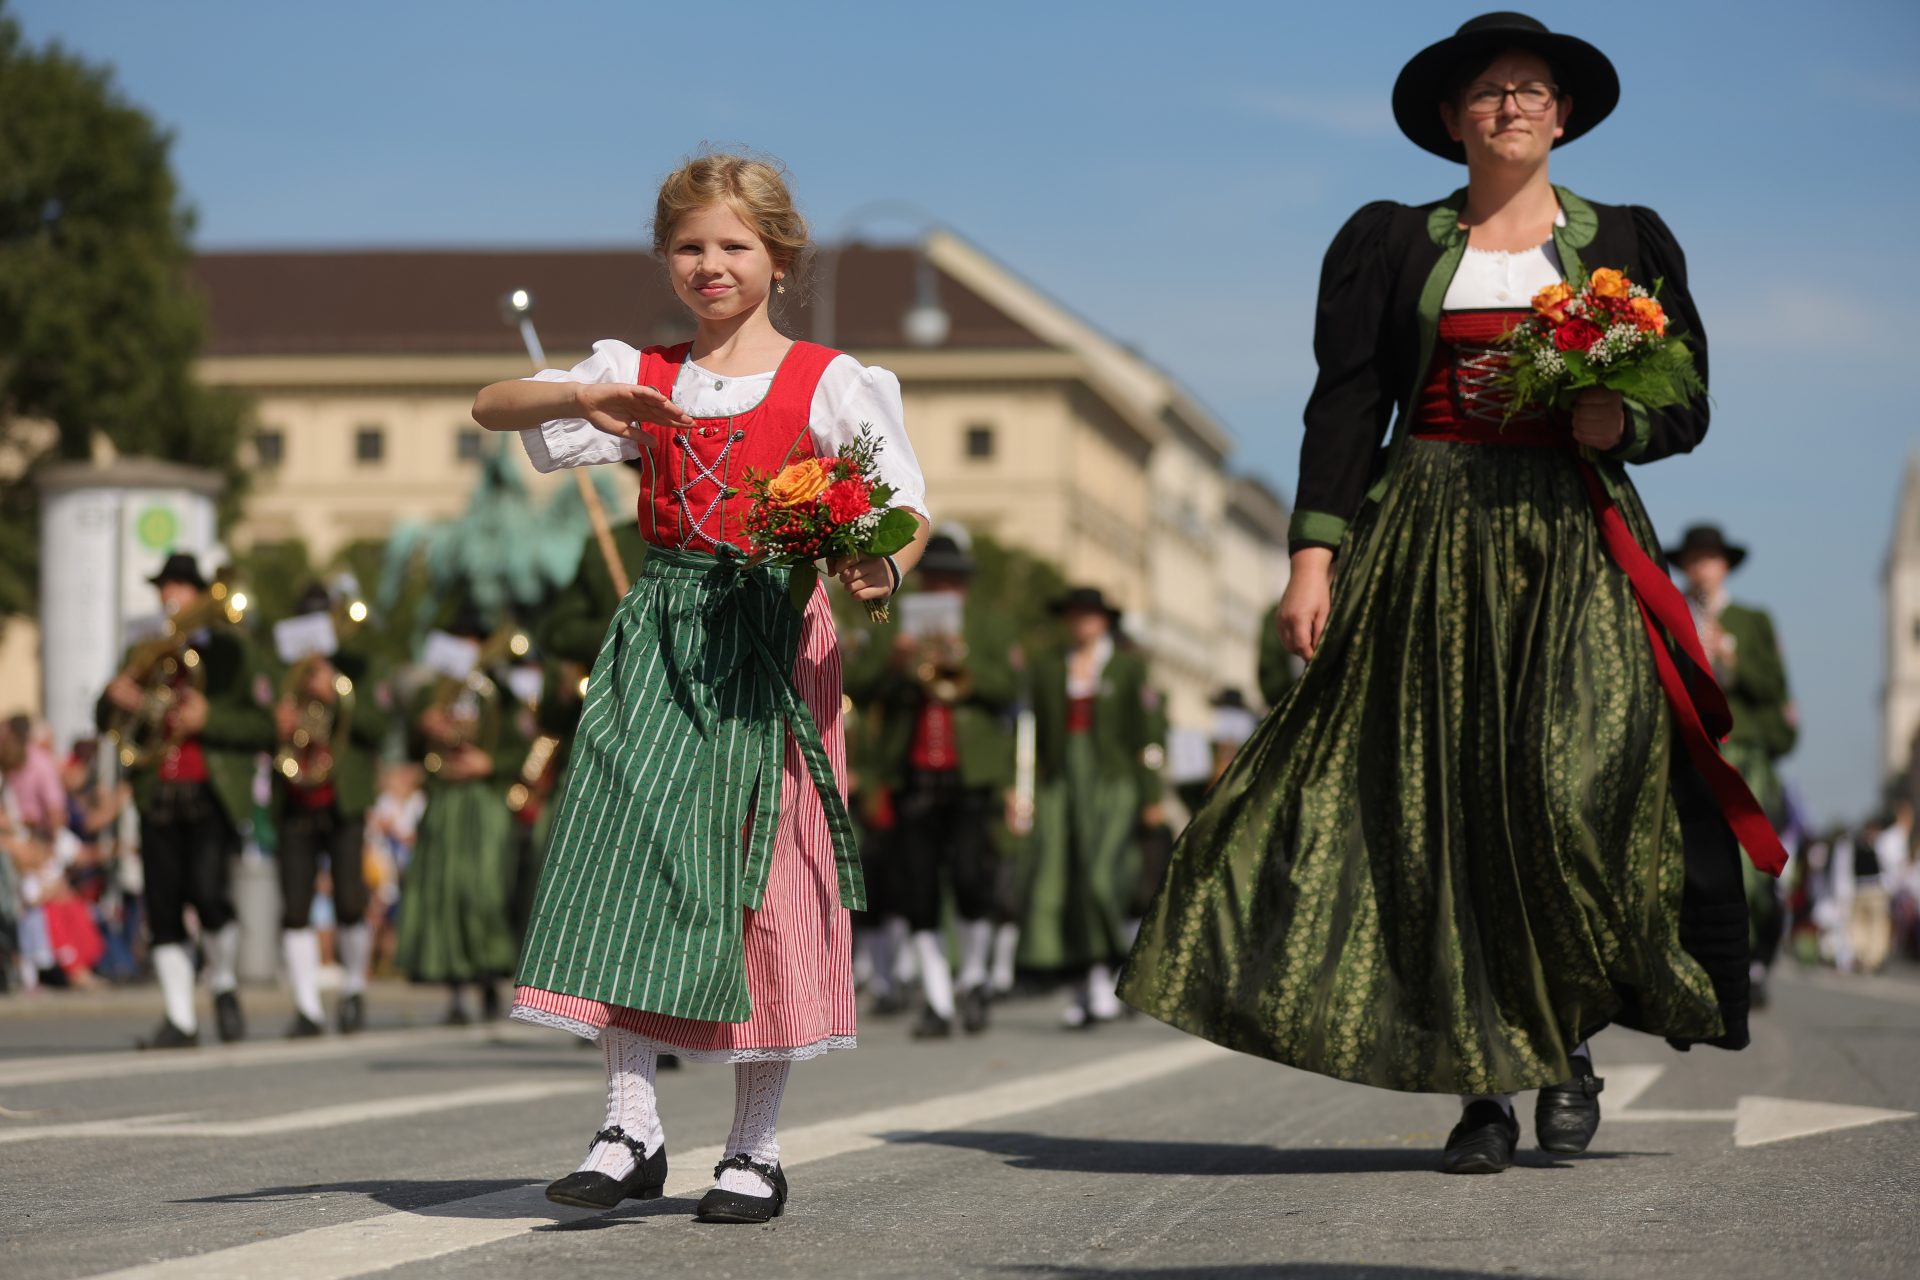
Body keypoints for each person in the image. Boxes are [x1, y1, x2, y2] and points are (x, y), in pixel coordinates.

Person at [1122, 12, 1784, 1175]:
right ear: (1450, 120)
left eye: (1532, 90)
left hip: (1573, 538)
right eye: (1487, 93)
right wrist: (1313, 555)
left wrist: (1619, 417)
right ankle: (1483, 1084)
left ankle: (1565, 1039)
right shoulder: (1391, 241)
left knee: (1569, 786)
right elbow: (1346, 402)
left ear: (1563, 115)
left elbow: (1688, 401)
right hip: (1426, 536)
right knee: (1444, 805)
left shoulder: (1625, 238)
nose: (1511, 106)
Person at [470, 151, 930, 1223]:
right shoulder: (640, 371)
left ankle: (755, 1148)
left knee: (758, 874)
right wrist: (589, 393)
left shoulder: (829, 379)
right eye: (689, 246)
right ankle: (630, 1125)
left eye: (733, 245)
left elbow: (904, 503)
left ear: (778, 257)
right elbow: (490, 404)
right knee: (630, 853)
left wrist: (883, 558)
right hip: (663, 630)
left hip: (769, 636)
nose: (709, 264)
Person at [845, 531, 1019, 1039]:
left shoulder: (989, 626)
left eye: (952, 580)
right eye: (935, 578)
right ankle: (938, 1000)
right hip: (911, 773)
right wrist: (895, 662)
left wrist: (964, 660)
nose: (943, 587)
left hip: (971, 774)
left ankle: (974, 979)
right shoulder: (892, 619)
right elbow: (859, 681)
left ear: (964, 585)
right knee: (916, 886)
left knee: (971, 877)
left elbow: (1008, 688)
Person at [97, 553, 274, 1048]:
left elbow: (263, 726)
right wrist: (119, 694)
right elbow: (103, 715)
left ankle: (221, 983)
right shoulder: (143, 647)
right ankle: (180, 1019)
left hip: (210, 791)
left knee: (211, 895)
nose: (170, 595)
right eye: (164, 587)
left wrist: (209, 719)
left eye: (179, 587)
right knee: (164, 905)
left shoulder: (232, 653)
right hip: (157, 790)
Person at [1021, 587, 1164, 1028]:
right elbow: (1034, 732)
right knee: (1061, 878)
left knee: (1102, 875)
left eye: (1089, 615)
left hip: (1111, 781)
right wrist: (1027, 787)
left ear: (1104, 621)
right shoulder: (1048, 668)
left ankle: (1113, 971)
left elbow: (1148, 736)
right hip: (1062, 780)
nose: (1081, 623)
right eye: (1074, 615)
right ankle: (1085, 983)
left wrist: (1152, 793)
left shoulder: (1127, 668)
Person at [1669, 524, 1797, 1007]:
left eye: (1710, 557)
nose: (1701, 566)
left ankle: (1752, 955)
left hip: (1740, 750)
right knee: (1687, 860)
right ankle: (1703, 966)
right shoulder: (1672, 610)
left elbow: (1774, 687)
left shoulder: (1752, 619)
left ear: (1724, 565)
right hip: (1688, 747)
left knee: (1748, 862)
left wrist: (1732, 657)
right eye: (1694, 558)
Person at [270, 583, 391, 1036]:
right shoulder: (284, 672)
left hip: (343, 798)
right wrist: (276, 723)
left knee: (349, 901)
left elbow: (380, 724)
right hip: (294, 795)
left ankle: (354, 989)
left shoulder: (361, 668)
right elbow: (258, 724)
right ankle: (307, 1007)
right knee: (296, 906)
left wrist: (336, 696)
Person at [395, 604, 525, 1024]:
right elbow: (413, 750)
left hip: (483, 801)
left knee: (482, 889)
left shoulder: (499, 692)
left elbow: (523, 747)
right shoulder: (430, 693)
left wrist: (490, 764)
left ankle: (488, 977)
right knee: (444, 893)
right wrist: (423, 725)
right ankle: (455, 991)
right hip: (444, 798)